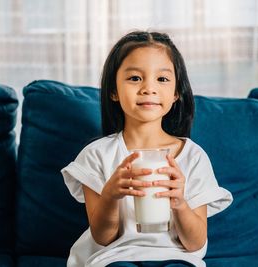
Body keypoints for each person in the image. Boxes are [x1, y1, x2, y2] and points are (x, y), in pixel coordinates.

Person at [61, 31, 233, 267]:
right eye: (134, 78)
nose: (148, 88)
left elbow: (195, 243)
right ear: (113, 90)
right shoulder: (97, 155)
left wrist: (180, 202)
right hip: (115, 256)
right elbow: (103, 237)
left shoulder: (193, 157)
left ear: (176, 94)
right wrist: (111, 195)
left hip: (176, 258)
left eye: (162, 79)